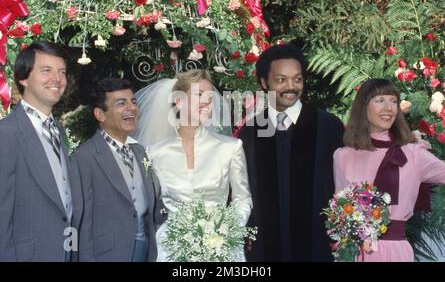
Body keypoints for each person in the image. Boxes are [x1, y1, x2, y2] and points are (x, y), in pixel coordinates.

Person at [238, 43, 344, 261]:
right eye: (281, 80)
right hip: (265, 250)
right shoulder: (250, 132)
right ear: (263, 82)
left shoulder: (328, 126)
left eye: (297, 79)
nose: (291, 86)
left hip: (316, 247)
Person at [133, 69, 252, 261]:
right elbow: (148, 206)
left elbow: (243, 198)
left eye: (210, 97)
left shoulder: (230, 147)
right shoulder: (155, 153)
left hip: (221, 250)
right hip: (171, 250)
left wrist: (227, 230)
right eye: (199, 95)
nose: (207, 101)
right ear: (179, 101)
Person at [334, 78, 445, 262]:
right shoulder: (342, 156)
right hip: (355, 253)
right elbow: (339, 211)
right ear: (364, 107)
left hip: (396, 252)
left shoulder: (413, 153)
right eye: (380, 100)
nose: (389, 108)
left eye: (393, 101)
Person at [0, 41, 83, 261]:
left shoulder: (60, 130)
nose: (57, 78)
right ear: (23, 78)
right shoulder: (6, 134)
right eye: (46, 70)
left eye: (62, 72)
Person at [73, 78, 161, 261]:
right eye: (121, 103)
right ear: (100, 114)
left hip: (146, 250)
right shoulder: (85, 156)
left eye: (133, 101)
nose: (132, 108)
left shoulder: (140, 151)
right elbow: (82, 220)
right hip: (108, 254)